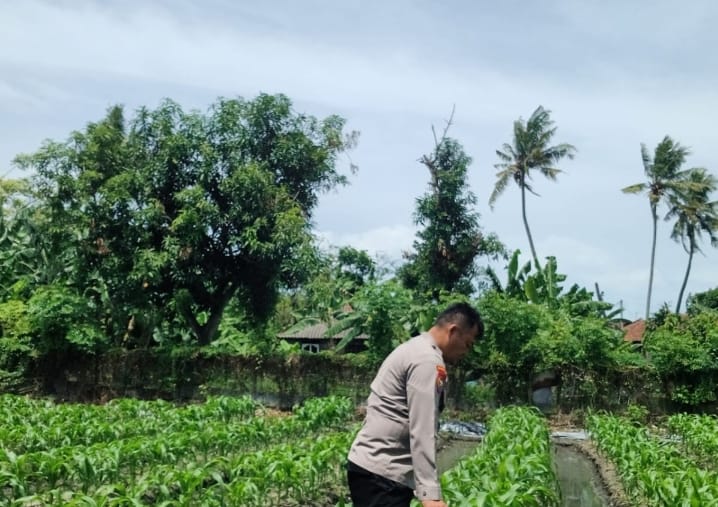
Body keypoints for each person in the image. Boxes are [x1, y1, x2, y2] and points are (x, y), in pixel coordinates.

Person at [346, 302, 484, 507]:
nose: (466, 351)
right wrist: (430, 495)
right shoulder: (426, 361)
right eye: (468, 344)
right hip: (383, 474)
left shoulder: (416, 348)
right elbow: (422, 429)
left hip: (375, 468)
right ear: (453, 331)